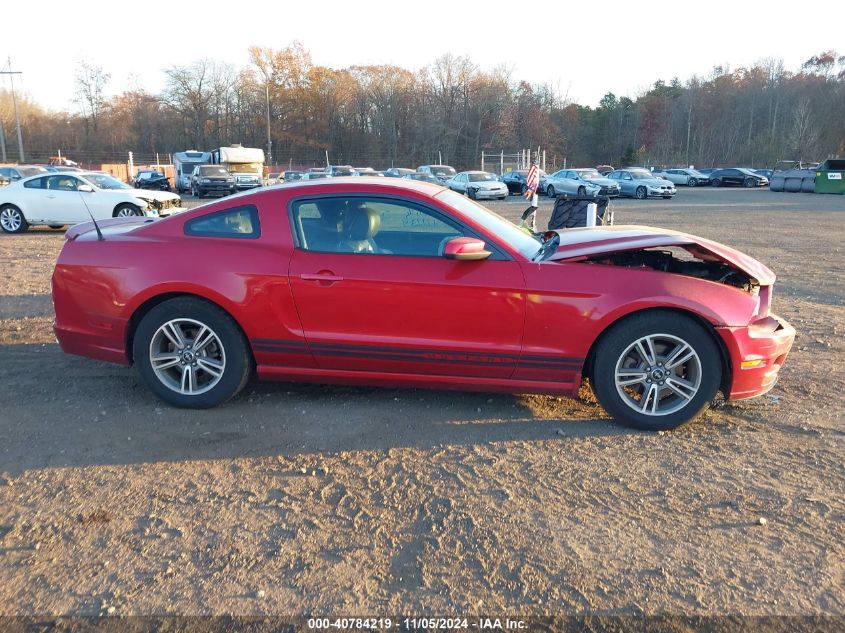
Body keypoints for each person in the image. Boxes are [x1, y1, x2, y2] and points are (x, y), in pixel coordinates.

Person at [519, 160, 540, 231]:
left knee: (533, 208)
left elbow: (532, 188)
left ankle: (528, 224)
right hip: (534, 201)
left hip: (534, 197)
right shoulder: (533, 186)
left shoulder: (533, 189)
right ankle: (526, 223)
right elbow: (532, 187)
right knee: (533, 207)